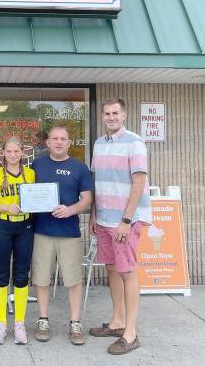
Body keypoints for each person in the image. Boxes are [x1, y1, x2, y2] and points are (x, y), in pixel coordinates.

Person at [89, 98, 152, 355]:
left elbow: (138, 183)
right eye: (107, 113)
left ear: (124, 115)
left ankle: (131, 333)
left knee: (127, 272)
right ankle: (117, 322)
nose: (111, 117)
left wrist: (126, 220)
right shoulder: (99, 143)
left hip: (124, 221)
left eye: (116, 113)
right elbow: (99, 182)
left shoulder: (135, 142)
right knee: (113, 270)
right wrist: (93, 213)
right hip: (103, 219)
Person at [31, 125, 93, 345]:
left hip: (69, 232)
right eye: (54, 138)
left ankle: (75, 323)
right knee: (41, 278)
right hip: (42, 231)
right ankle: (43, 320)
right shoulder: (37, 164)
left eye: (63, 139)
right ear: (47, 142)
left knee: (73, 279)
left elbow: (87, 199)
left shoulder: (79, 168)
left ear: (69, 143)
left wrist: (70, 210)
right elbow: (28, 191)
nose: (58, 142)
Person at [0, 137, 35, 345]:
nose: (13, 155)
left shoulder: (30, 174)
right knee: (2, 274)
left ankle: (20, 323)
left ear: (23, 153)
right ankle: (1, 323)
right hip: (3, 226)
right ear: (3, 153)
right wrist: (5, 207)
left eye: (16, 151)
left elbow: (38, 197)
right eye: (9, 151)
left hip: (25, 227)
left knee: (22, 274)